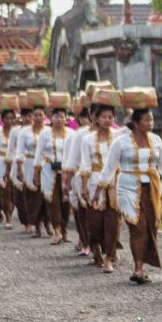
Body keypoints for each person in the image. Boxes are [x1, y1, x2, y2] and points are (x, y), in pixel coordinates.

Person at [98, 108, 162, 284]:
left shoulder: (156, 140)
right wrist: (98, 190)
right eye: (146, 120)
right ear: (136, 122)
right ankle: (138, 269)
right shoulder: (121, 142)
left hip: (151, 189)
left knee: (150, 227)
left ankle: (142, 265)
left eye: (152, 120)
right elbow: (109, 167)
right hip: (127, 189)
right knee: (138, 227)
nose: (150, 124)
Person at [80, 104, 121, 272]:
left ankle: (109, 258)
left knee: (113, 222)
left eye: (110, 117)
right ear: (96, 118)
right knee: (95, 222)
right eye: (103, 117)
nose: (107, 120)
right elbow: (85, 164)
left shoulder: (119, 138)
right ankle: (96, 248)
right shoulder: (87, 140)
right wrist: (84, 186)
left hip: (114, 184)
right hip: (94, 181)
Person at [34, 106, 72, 244]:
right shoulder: (45, 134)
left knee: (66, 202)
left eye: (62, 116)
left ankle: (64, 230)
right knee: (52, 201)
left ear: (66, 119)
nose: (58, 119)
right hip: (48, 171)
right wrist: (36, 173)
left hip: (67, 172)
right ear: (51, 119)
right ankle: (57, 231)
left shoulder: (71, 134)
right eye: (56, 117)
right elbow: (39, 154)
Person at [63, 106, 94, 255]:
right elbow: (71, 159)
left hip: (105, 181)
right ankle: (86, 242)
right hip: (82, 178)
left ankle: (109, 248)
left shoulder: (114, 134)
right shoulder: (79, 135)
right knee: (83, 212)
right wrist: (67, 180)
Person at [18, 105, 51, 237]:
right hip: (30, 164)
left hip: (46, 165)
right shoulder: (24, 132)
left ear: (45, 117)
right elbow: (20, 151)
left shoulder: (49, 131)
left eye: (40, 115)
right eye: (35, 115)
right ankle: (36, 224)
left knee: (47, 195)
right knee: (33, 196)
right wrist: (19, 169)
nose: (37, 118)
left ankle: (48, 222)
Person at [8, 107, 30, 230]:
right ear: (22, 117)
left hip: (34, 166)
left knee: (36, 196)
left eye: (31, 116)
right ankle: (26, 222)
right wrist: (9, 167)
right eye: (26, 116)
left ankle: (37, 222)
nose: (29, 119)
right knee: (19, 196)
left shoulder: (42, 131)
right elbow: (11, 150)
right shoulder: (15, 131)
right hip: (18, 164)